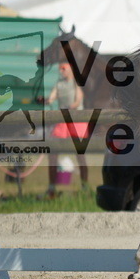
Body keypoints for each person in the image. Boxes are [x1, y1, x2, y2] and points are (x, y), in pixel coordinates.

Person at [46, 61, 89, 196]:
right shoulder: (59, 84)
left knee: (80, 156)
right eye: (60, 69)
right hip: (63, 122)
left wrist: (73, 106)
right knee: (53, 154)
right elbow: (52, 97)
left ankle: (85, 188)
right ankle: (52, 188)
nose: (61, 71)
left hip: (76, 122)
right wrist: (47, 100)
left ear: (70, 70)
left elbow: (78, 99)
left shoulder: (76, 83)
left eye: (64, 69)